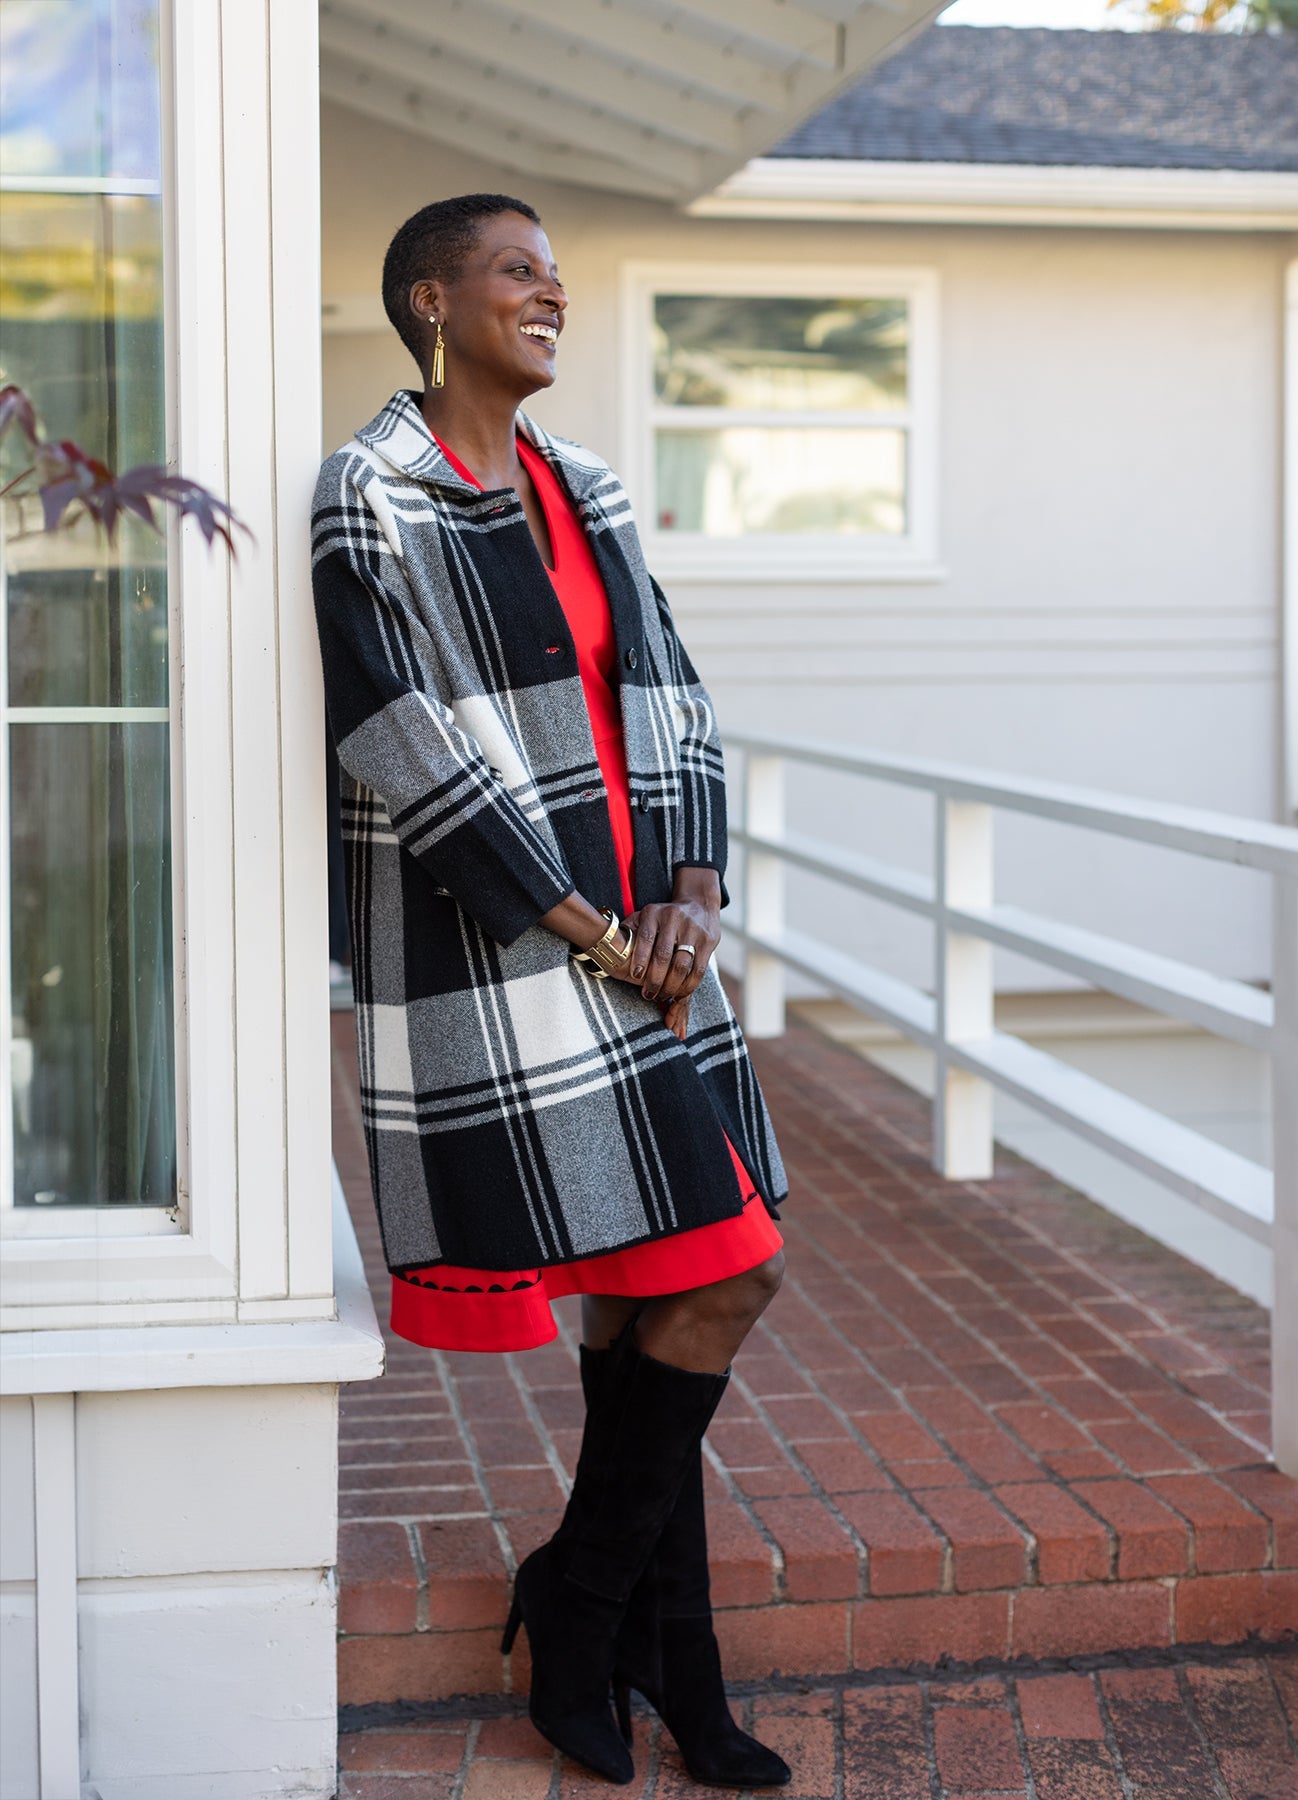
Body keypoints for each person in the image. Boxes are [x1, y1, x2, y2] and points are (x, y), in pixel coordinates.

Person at [311, 193, 791, 1790]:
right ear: (429, 301)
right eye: (517, 269)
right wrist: (596, 927)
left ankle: (656, 1652)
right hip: (506, 956)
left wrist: (694, 888)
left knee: (667, 1292)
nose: (551, 291)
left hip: (643, 947)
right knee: (729, 1274)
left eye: (554, 272)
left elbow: (673, 687)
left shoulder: (584, 487)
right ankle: (591, 1614)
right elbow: (401, 747)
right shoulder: (368, 493)